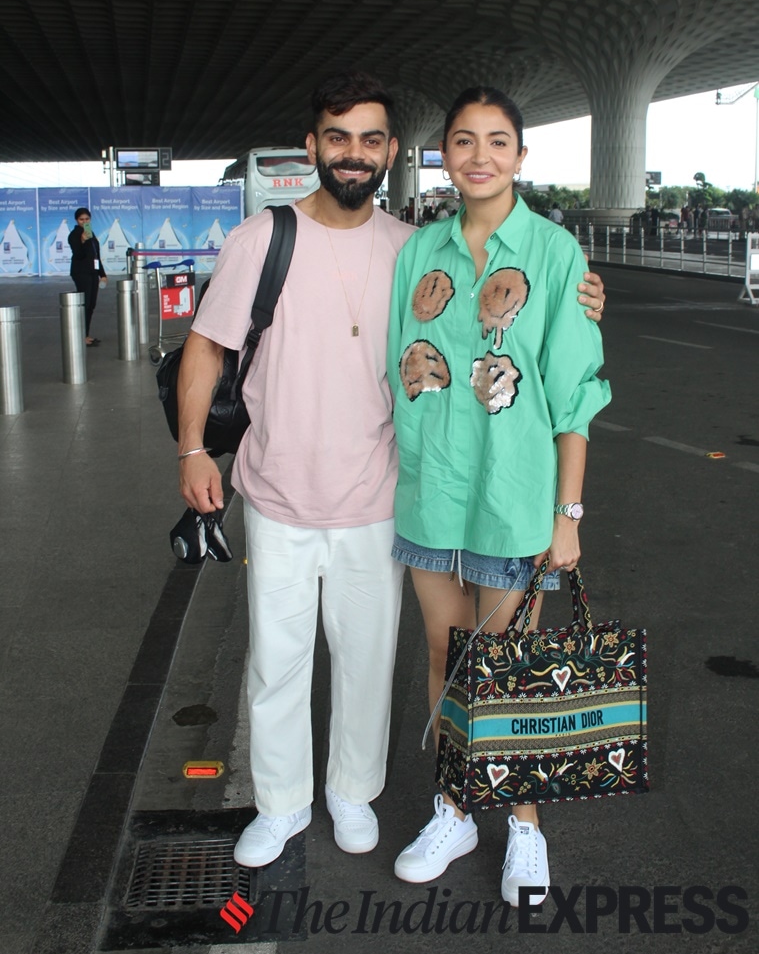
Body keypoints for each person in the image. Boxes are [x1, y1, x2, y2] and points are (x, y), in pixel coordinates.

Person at [176, 71, 607, 871]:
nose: (353, 153)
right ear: (312, 146)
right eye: (337, 138)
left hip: (416, 498)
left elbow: (560, 373)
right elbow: (208, 343)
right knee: (310, 660)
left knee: (425, 664)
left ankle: (412, 804)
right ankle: (303, 805)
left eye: (370, 140)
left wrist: (582, 294)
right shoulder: (292, 242)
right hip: (331, 495)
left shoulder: (451, 249)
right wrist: (192, 447)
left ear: (393, 153)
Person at [387, 86, 611, 906]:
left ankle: (523, 824)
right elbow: (393, 365)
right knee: (445, 657)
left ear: (520, 155)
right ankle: (454, 807)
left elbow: (573, 390)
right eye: (462, 139)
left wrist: (568, 510)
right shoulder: (418, 253)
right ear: (443, 152)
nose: (479, 154)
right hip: (430, 493)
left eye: (497, 140)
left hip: (514, 500)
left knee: (510, 668)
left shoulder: (554, 254)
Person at [68, 207, 107, 346]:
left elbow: (96, 255)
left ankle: (85, 334)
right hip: (81, 272)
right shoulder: (74, 235)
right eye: (81, 219)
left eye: (87, 219)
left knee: (91, 304)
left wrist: (102, 274)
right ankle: (80, 335)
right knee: (84, 304)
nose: (84, 222)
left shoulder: (91, 233)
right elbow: (78, 254)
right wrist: (82, 241)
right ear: (77, 220)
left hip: (92, 272)